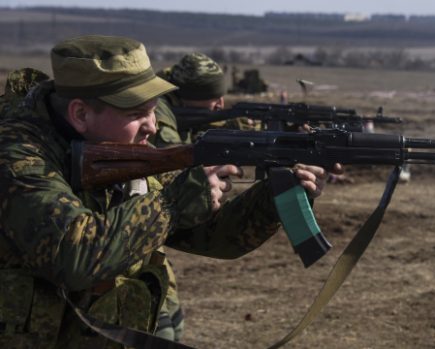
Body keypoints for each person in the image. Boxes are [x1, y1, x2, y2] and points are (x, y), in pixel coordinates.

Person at [0, 35, 332, 348]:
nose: (152, 126)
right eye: (137, 114)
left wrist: (275, 196)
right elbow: (75, 257)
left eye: (154, 110)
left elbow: (210, 236)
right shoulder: (18, 157)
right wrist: (173, 204)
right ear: (81, 114)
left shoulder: (116, 149)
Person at [152, 52, 256, 149]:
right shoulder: (156, 109)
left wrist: (227, 128)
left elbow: (194, 129)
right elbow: (170, 159)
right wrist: (209, 169)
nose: (221, 104)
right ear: (191, 95)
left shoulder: (179, 102)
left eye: (221, 96)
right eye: (214, 98)